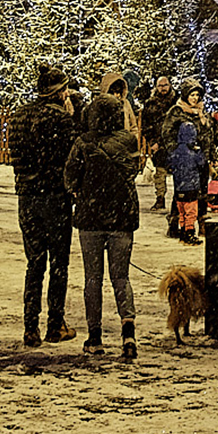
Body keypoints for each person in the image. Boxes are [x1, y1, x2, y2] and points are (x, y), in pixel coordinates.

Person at [66, 89, 142, 360]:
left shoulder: (83, 143)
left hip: (91, 218)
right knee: (121, 277)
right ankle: (128, 331)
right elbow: (134, 171)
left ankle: (95, 336)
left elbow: (70, 179)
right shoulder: (129, 141)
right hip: (121, 217)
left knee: (93, 278)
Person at [6, 67, 78, 346]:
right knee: (59, 262)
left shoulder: (20, 115)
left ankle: (30, 325)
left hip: (27, 196)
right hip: (55, 197)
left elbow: (17, 153)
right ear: (60, 92)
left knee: (34, 263)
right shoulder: (61, 118)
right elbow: (69, 158)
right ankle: (55, 323)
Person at [162, 81, 214, 245]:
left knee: (201, 192)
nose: (195, 98)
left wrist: (208, 153)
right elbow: (167, 132)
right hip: (185, 160)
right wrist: (177, 152)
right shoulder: (177, 112)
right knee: (182, 193)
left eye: (197, 95)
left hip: (201, 158)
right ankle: (178, 223)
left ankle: (199, 223)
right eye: (192, 95)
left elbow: (208, 133)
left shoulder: (202, 112)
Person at [141, 74, 177, 211]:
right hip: (159, 143)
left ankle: (177, 201)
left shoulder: (177, 102)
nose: (163, 88)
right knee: (160, 173)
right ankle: (160, 198)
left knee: (178, 173)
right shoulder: (151, 104)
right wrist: (152, 141)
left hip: (174, 142)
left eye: (165, 85)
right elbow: (146, 124)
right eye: (160, 86)